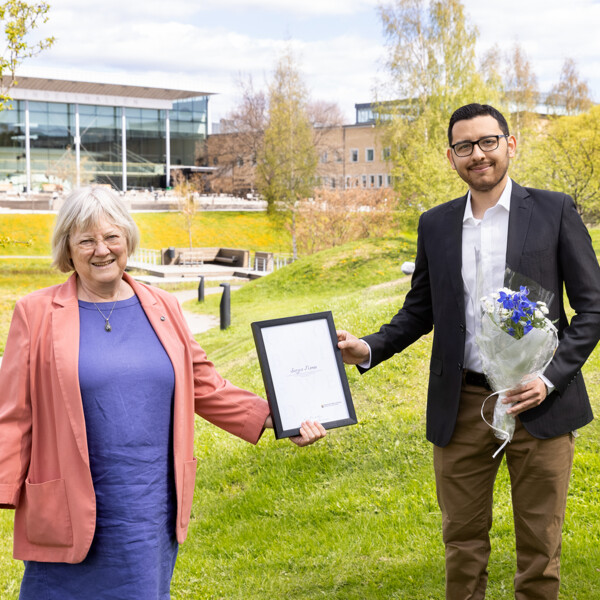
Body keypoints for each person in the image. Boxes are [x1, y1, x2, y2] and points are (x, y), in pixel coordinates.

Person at [0, 186, 326, 599]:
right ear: (68, 247)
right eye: (86, 240)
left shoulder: (163, 306)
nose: (102, 250)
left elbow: (205, 383)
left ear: (128, 240)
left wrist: (277, 418)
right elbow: (14, 411)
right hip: (65, 504)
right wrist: (4, 486)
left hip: (147, 508)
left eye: (111, 237)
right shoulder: (35, 313)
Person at [337, 103, 600, 600]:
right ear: (451, 157)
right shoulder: (435, 224)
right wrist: (368, 347)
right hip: (463, 407)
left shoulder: (553, 210)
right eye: (465, 147)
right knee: (461, 543)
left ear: (510, 144)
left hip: (540, 403)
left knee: (541, 551)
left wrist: (548, 379)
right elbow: (419, 311)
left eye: (488, 142)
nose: (478, 155)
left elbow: (592, 309)